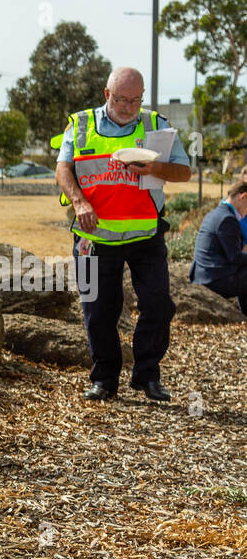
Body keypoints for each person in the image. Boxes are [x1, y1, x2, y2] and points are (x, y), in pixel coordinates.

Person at [56, 66, 191, 402]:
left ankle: (147, 375)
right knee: (97, 309)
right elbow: (63, 168)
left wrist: (155, 168)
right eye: (121, 99)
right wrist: (79, 202)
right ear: (107, 95)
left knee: (159, 305)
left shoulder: (155, 125)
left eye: (135, 100)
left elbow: (185, 171)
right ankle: (104, 379)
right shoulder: (81, 124)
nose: (128, 106)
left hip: (146, 235)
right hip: (92, 237)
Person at [189, 179, 247, 313]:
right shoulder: (228, 219)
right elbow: (235, 258)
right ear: (243, 197)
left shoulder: (216, 213)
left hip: (204, 274)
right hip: (213, 280)